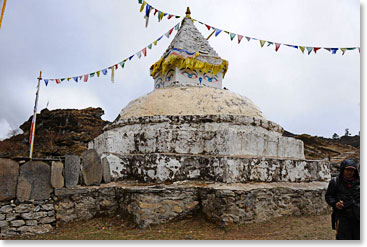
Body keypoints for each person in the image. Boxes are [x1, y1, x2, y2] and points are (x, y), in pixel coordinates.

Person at [325, 159, 360, 240]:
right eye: (347, 169)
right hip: (342, 218)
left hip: (358, 218)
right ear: (342, 169)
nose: (350, 172)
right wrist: (335, 204)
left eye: (352, 170)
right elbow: (329, 196)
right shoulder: (335, 182)